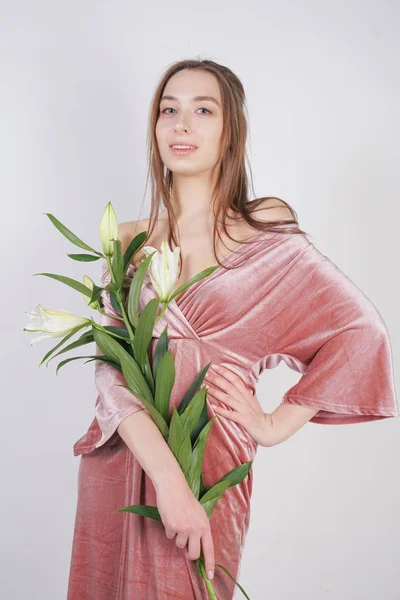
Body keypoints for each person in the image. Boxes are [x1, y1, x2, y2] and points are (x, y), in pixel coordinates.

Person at [67, 59, 399, 600]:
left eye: (203, 110)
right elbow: (110, 374)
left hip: (212, 459)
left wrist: (274, 424)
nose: (182, 125)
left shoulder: (264, 227)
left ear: (230, 130)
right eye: (168, 110)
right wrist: (168, 484)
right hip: (124, 461)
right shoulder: (125, 238)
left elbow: (359, 330)